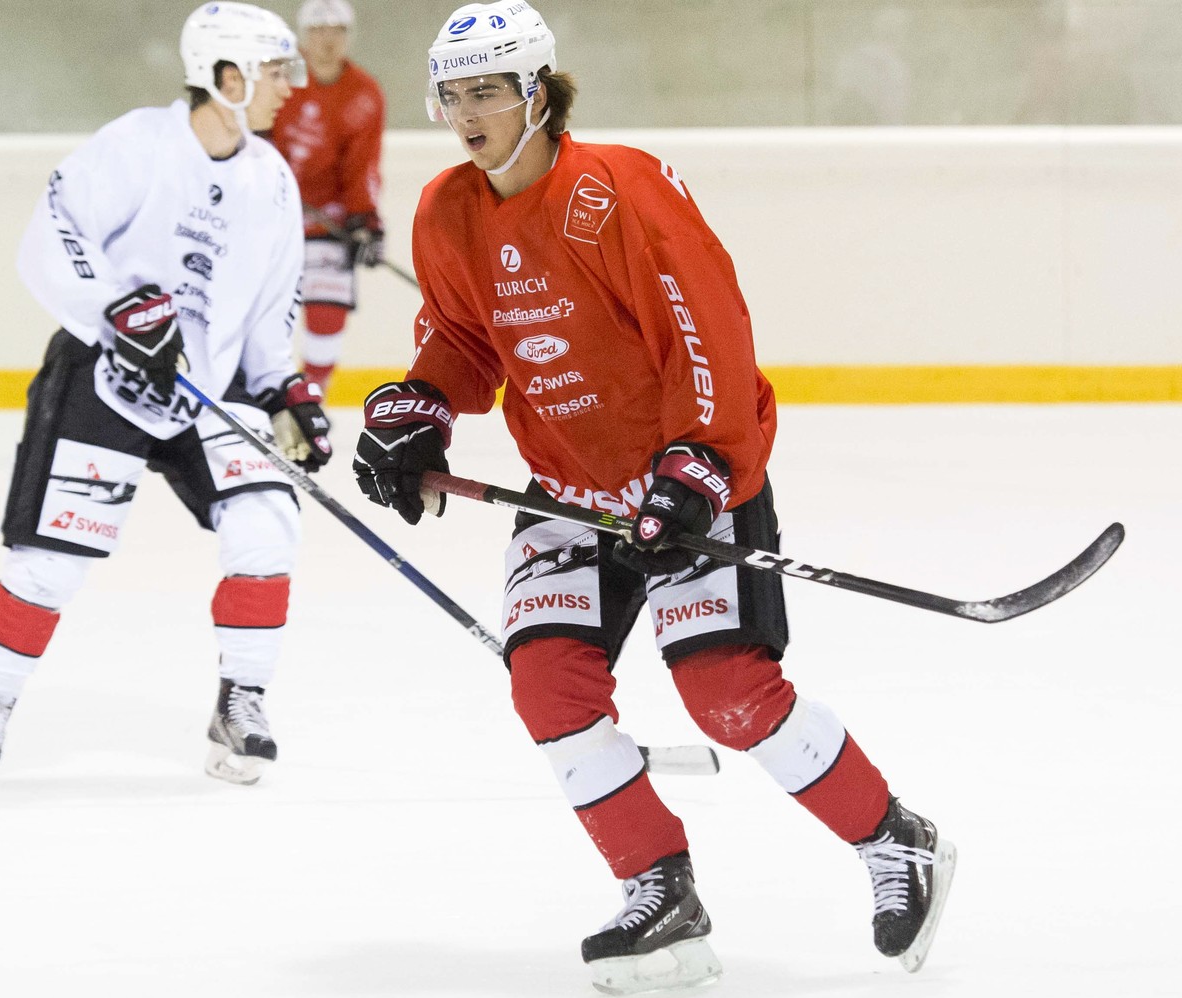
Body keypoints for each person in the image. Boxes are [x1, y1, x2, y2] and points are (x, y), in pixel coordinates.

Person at [352, 3, 956, 993]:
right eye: (451, 93)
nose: (465, 112)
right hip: (566, 490)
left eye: (486, 90)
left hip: (689, 474)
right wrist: (418, 407)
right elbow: (463, 341)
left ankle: (898, 840)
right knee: (547, 683)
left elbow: (708, 334)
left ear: (537, 91)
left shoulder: (617, 190)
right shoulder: (446, 210)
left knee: (727, 696)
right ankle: (658, 886)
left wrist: (697, 470)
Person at [0, 1, 331, 790]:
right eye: (273, 72)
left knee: (267, 525)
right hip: (107, 377)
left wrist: (285, 387)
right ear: (226, 78)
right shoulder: (137, 144)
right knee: (51, 561)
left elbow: (271, 307)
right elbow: (53, 231)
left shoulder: (271, 182)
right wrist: (116, 309)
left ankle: (242, 701)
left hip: (209, 385)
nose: (288, 88)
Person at [270, 0, 386, 392]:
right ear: (303, 34)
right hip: (270, 212)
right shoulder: (278, 77)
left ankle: (310, 397)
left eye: (337, 30)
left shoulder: (365, 94)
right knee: (261, 311)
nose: (327, 40)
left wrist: (364, 219)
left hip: (327, 217)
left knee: (326, 311)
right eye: (318, 30)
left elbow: (363, 165)